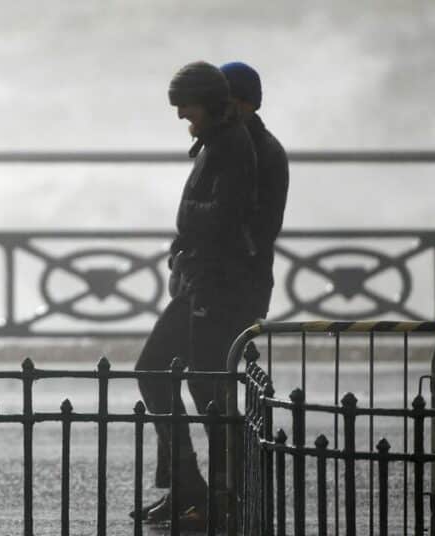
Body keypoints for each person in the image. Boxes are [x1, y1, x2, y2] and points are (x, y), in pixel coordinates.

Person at [132, 61, 261, 529]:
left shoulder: (229, 144)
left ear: (208, 101)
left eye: (185, 105)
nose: (181, 115)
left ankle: (218, 492)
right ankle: (194, 487)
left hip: (213, 285)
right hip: (200, 281)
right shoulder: (218, 142)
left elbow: (225, 213)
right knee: (168, 374)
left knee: (200, 384)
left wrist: (187, 228)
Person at [219, 61, 289, 319]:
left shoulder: (258, 151)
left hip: (235, 284)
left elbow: (259, 228)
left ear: (245, 103)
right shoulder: (234, 143)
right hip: (231, 282)